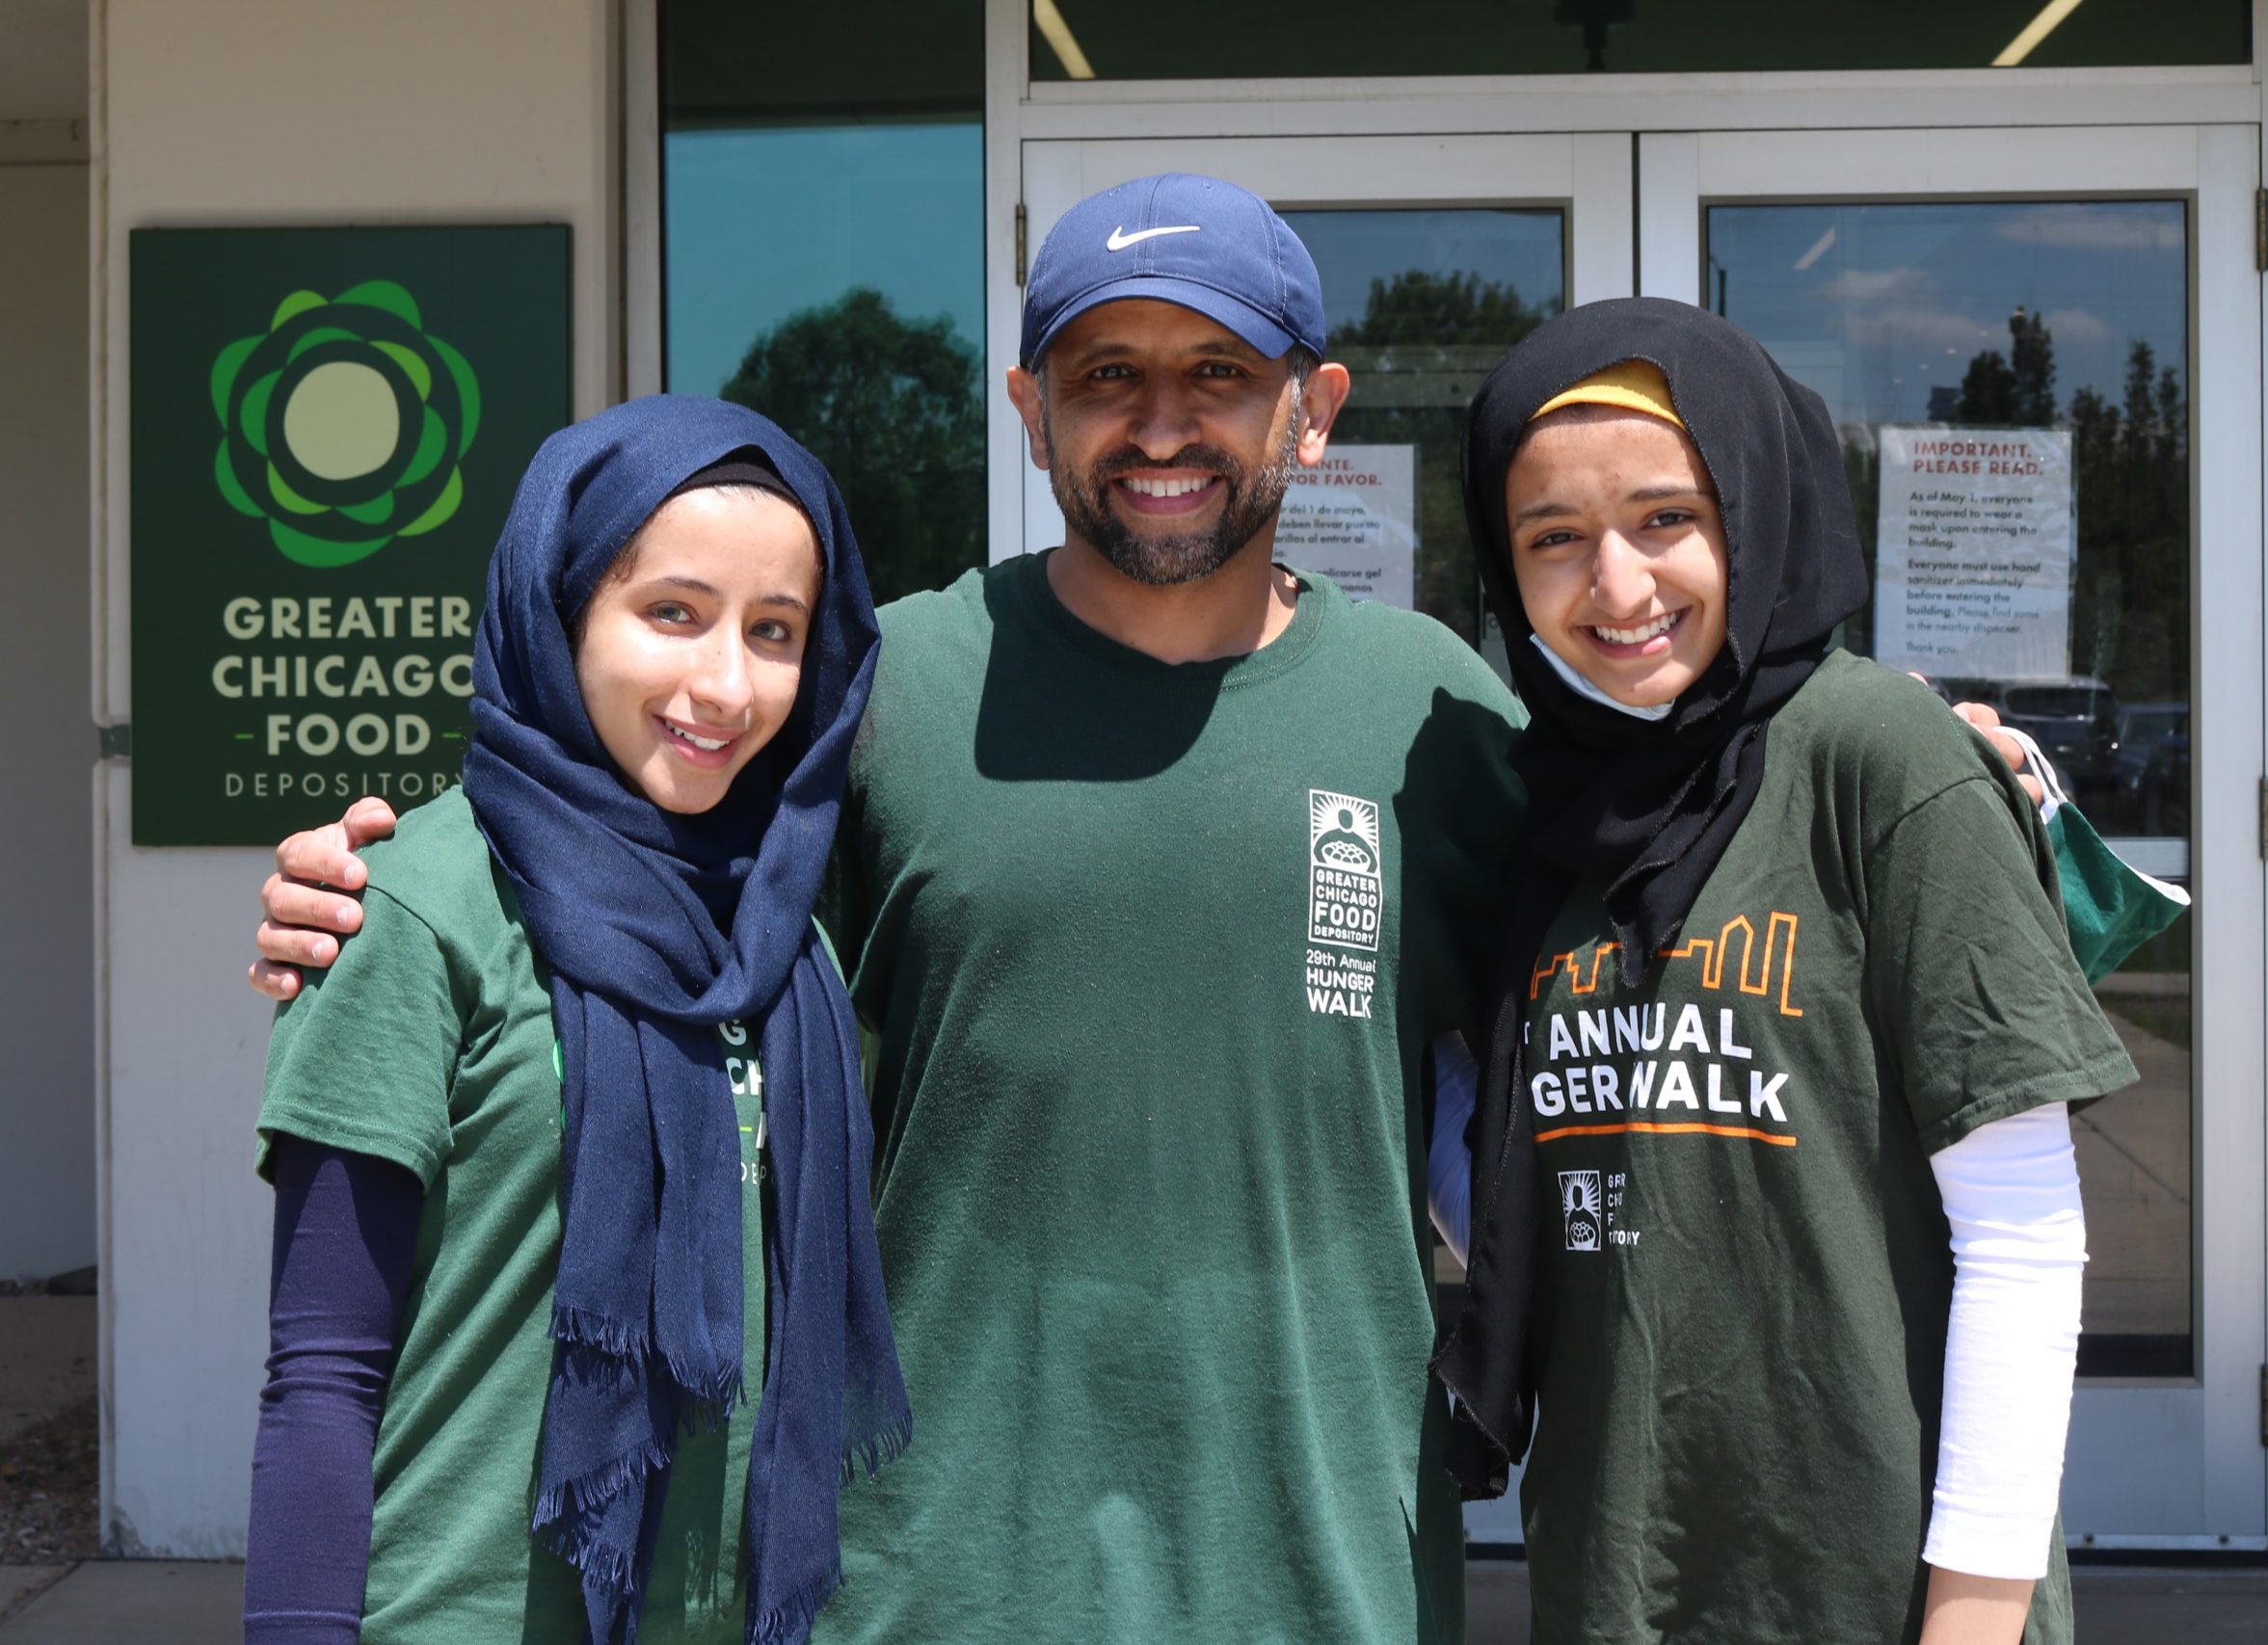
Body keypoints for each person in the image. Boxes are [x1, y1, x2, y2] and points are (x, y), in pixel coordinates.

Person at [247, 177, 2055, 1642]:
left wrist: (1941, 760)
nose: (1164, 424)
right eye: (1106, 376)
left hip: (1327, 1559)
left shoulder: (1448, 723)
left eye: (1219, 373)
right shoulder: (886, 697)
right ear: (1029, 408)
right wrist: (374, 881)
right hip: (937, 1567)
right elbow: (635, 849)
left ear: (1314, 412)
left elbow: (1671, 796)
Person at [1433, 299, 2135, 1645]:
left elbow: (2024, 1234)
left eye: (1665, 521)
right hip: (1621, 1573)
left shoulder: (1881, 761)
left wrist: (1975, 1617)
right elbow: (1540, 1181)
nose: (1617, 587)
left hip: (1877, 1587)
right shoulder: (1547, 821)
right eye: (1553, 541)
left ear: (1754, 514)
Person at [241, 396, 906, 1645]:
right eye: (673, 613)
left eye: (775, 632)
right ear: (561, 609)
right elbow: (321, 1377)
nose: (724, 682)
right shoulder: (414, 908)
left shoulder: (786, 939)